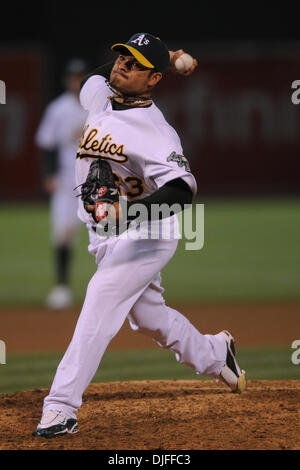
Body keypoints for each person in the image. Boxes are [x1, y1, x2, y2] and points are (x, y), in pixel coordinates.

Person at [34, 33, 246, 438]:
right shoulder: (100, 97)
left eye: (133, 64)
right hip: (105, 235)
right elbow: (94, 79)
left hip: (147, 233)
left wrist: (128, 213)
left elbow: (183, 189)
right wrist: (165, 55)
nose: (121, 66)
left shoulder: (154, 131)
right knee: (149, 318)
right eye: (121, 57)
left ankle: (60, 407)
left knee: (101, 300)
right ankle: (216, 354)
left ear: (154, 80)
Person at [35, 59, 88, 309]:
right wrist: (49, 174)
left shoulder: (100, 106)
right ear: (67, 80)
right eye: (73, 77)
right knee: (63, 234)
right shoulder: (58, 109)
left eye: (80, 76)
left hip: (95, 182)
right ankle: (62, 288)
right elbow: (46, 143)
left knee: (109, 235)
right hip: (67, 180)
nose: (76, 81)